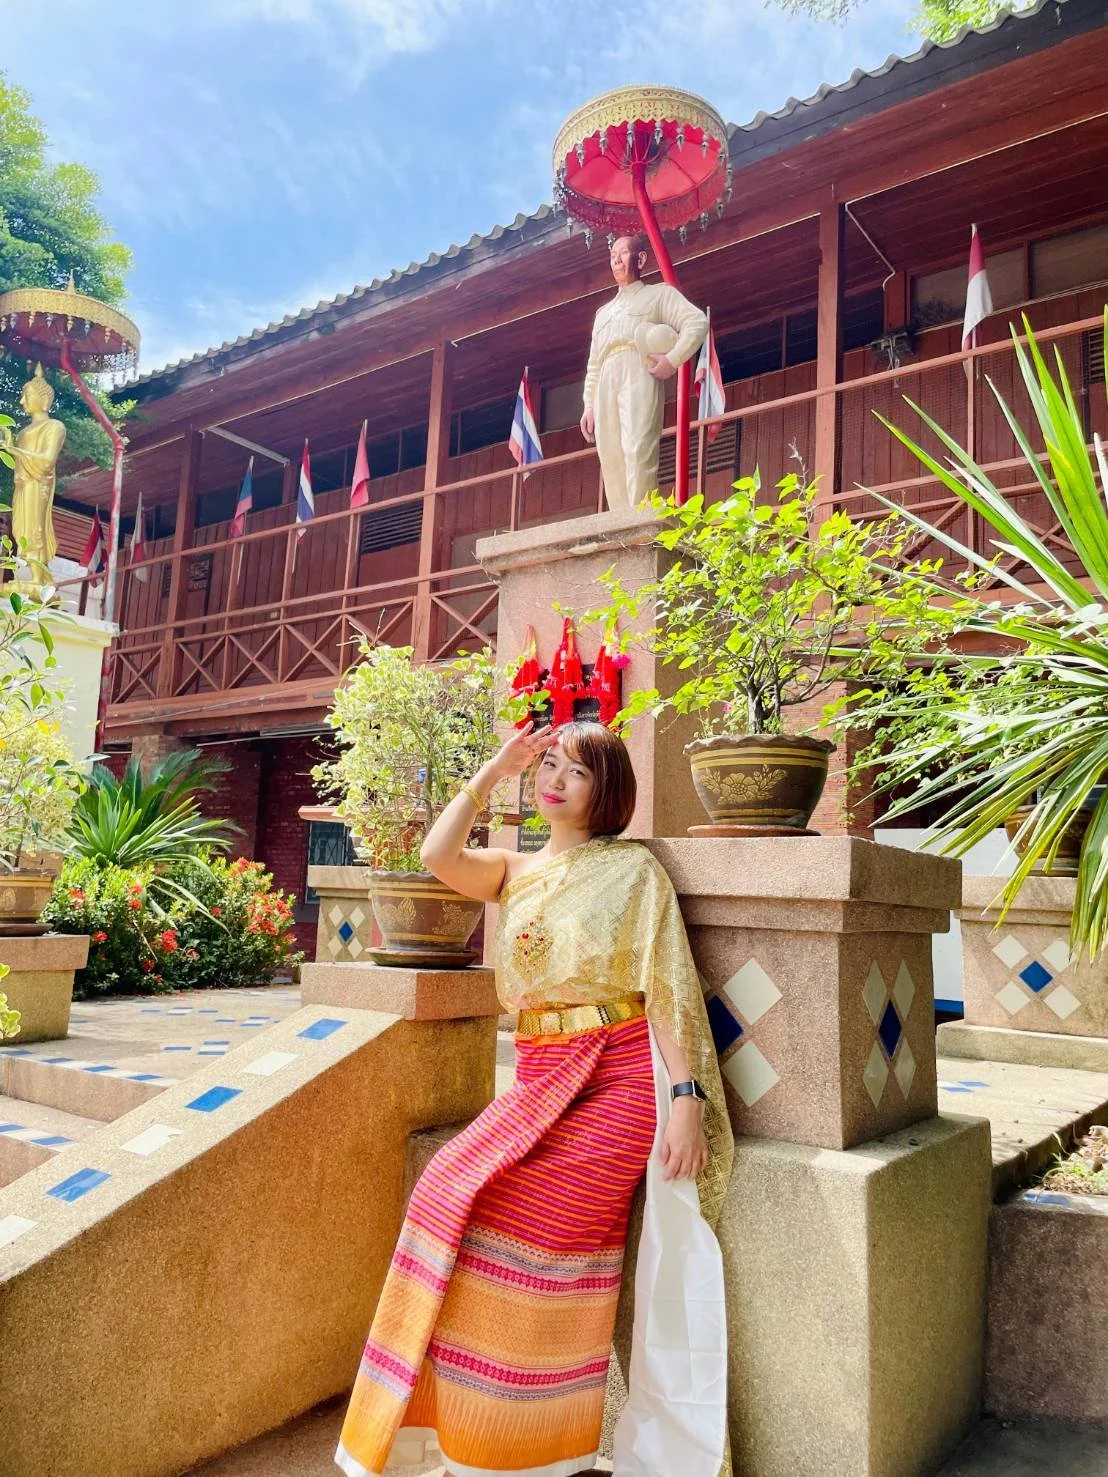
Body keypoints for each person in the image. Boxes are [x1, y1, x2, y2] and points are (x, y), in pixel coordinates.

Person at [336, 720, 733, 1477]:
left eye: (575, 771)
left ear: (607, 790)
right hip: (537, 1074)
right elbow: (435, 856)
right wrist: (493, 771)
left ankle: (528, 1447)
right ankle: (467, 1435)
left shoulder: (631, 871)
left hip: (616, 1077)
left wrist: (684, 1097)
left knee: (541, 1230)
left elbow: (668, 985)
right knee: (444, 1188)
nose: (554, 778)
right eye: (548, 764)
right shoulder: (512, 869)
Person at [580, 235, 708, 511]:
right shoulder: (603, 314)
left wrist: (672, 359)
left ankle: (640, 517)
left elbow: (696, 322)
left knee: (638, 447)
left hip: (637, 368)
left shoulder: (658, 294)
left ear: (640, 259)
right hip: (606, 377)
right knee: (611, 454)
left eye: (623, 253)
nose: (616, 259)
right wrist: (588, 403)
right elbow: (593, 364)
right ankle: (620, 521)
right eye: (613, 254)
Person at [1, 363, 67, 584]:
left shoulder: (54, 427)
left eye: (27, 395)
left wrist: (15, 450)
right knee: (21, 531)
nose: (22, 401)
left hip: (38, 485)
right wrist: (11, 448)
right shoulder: (23, 433)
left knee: (34, 529)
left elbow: (47, 462)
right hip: (22, 485)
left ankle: (39, 579)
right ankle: (34, 577)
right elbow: (18, 461)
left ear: (44, 399)